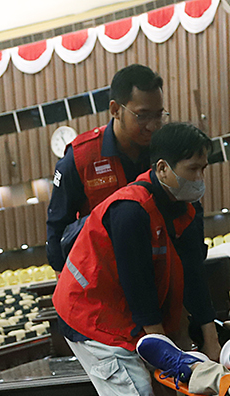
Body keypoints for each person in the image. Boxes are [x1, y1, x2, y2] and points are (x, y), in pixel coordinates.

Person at [52, 122, 220, 396]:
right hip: (91, 315)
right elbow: (137, 286)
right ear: (162, 168)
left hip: (124, 311)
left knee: (164, 394)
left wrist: (210, 337)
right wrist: (160, 345)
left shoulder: (185, 209)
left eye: (203, 168)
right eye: (193, 169)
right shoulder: (130, 209)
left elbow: (193, 273)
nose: (200, 177)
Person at [46, 64, 168, 274]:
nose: (153, 126)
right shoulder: (80, 158)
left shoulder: (164, 150)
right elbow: (57, 234)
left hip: (160, 273)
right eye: (143, 115)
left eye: (158, 115)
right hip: (106, 281)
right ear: (115, 110)